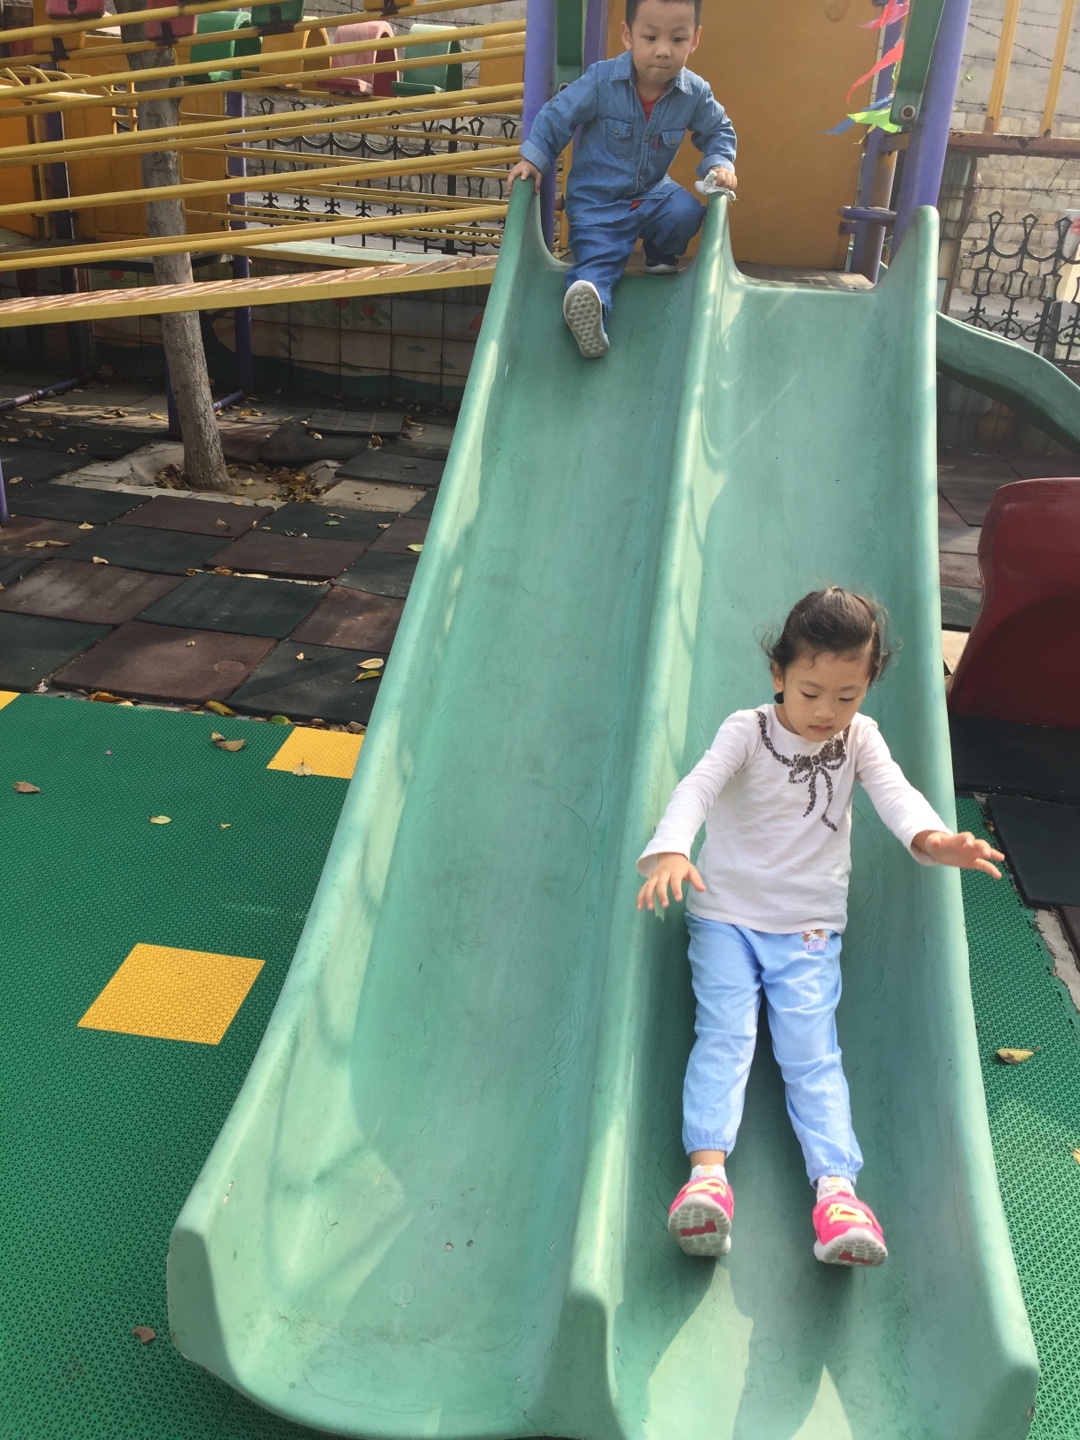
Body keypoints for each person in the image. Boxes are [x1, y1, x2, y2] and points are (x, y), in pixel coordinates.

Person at [635, 588, 1004, 1267]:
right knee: (726, 1035)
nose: (827, 712)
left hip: (807, 928)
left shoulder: (858, 738)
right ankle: (707, 1179)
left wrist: (933, 838)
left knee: (811, 1052)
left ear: (867, 686)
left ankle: (838, 1195)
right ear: (778, 674)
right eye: (810, 693)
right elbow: (699, 786)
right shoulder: (747, 730)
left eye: (847, 696)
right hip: (726, 918)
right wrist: (672, 848)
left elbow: (895, 794)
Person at [506, 0, 736, 359]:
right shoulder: (602, 81)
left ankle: (660, 253)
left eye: (678, 39)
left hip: (651, 194)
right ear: (628, 35)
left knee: (686, 212)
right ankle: (592, 307)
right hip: (597, 205)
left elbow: (718, 129)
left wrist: (720, 164)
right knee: (600, 257)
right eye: (650, 37)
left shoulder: (694, 93)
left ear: (694, 39)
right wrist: (534, 159)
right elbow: (558, 115)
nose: (663, 50)